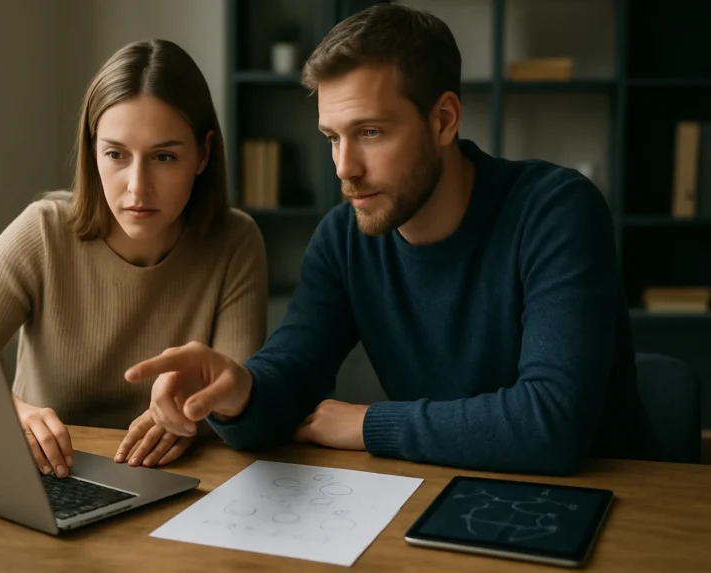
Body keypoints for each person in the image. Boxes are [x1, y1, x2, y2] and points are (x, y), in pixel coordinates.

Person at [125, 4, 651, 476]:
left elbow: (550, 426)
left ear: (443, 120)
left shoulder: (556, 210)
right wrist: (238, 392)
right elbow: (289, 373)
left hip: (616, 510)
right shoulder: (345, 236)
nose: (344, 168)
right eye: (332, 137)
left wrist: (365, 425)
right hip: (449, 492)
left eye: (371, 132)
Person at [0, 40, 268, 477]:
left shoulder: (235, 241)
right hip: (48, 475)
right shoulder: (42, 231)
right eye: (115, 155)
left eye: (164, 157)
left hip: (181, 482)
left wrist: (197, 412)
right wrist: (9, 413)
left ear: (203, 154)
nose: (136, 187)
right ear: (93, 152)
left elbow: (235, 404)